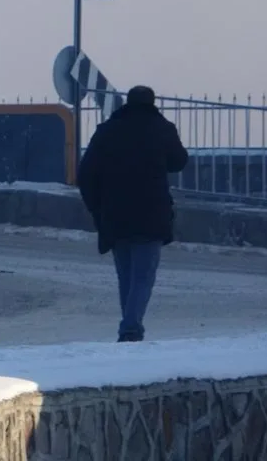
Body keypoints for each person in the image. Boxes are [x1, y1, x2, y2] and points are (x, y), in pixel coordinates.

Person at [76, 85, 189, 343]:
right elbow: (179, 161)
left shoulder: (107, 130)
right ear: (152, 103)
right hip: (151, 213)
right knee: (143, 276)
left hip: (114, 214)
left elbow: (86, 174)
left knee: (126, 275)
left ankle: (130, 324)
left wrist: (97, 208)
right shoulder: (161, 128)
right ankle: (130, 328)